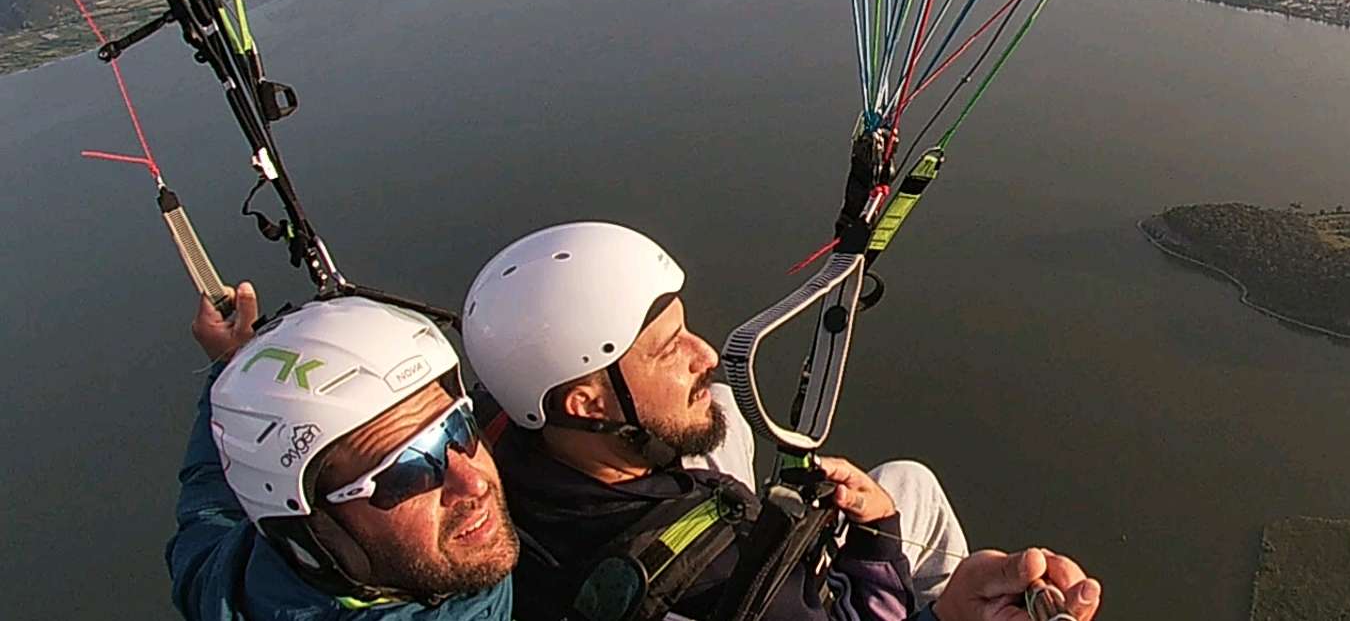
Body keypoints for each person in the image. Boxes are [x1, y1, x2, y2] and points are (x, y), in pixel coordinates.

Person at [462, 222, 1101, 621]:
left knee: (725, 405)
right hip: (721, 567)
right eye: (668, 349)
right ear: (587, 403)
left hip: (635, 511)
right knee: (911, 488)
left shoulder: (500, 441)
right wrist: (879, 538)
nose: (706, 354)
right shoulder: (712, 584)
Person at [169, 285, 520, 620]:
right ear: (320, 526)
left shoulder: (230, 583)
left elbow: (208, 511)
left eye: (457, 428)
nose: (472, 482)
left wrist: (237, 369)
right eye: (409, 470)